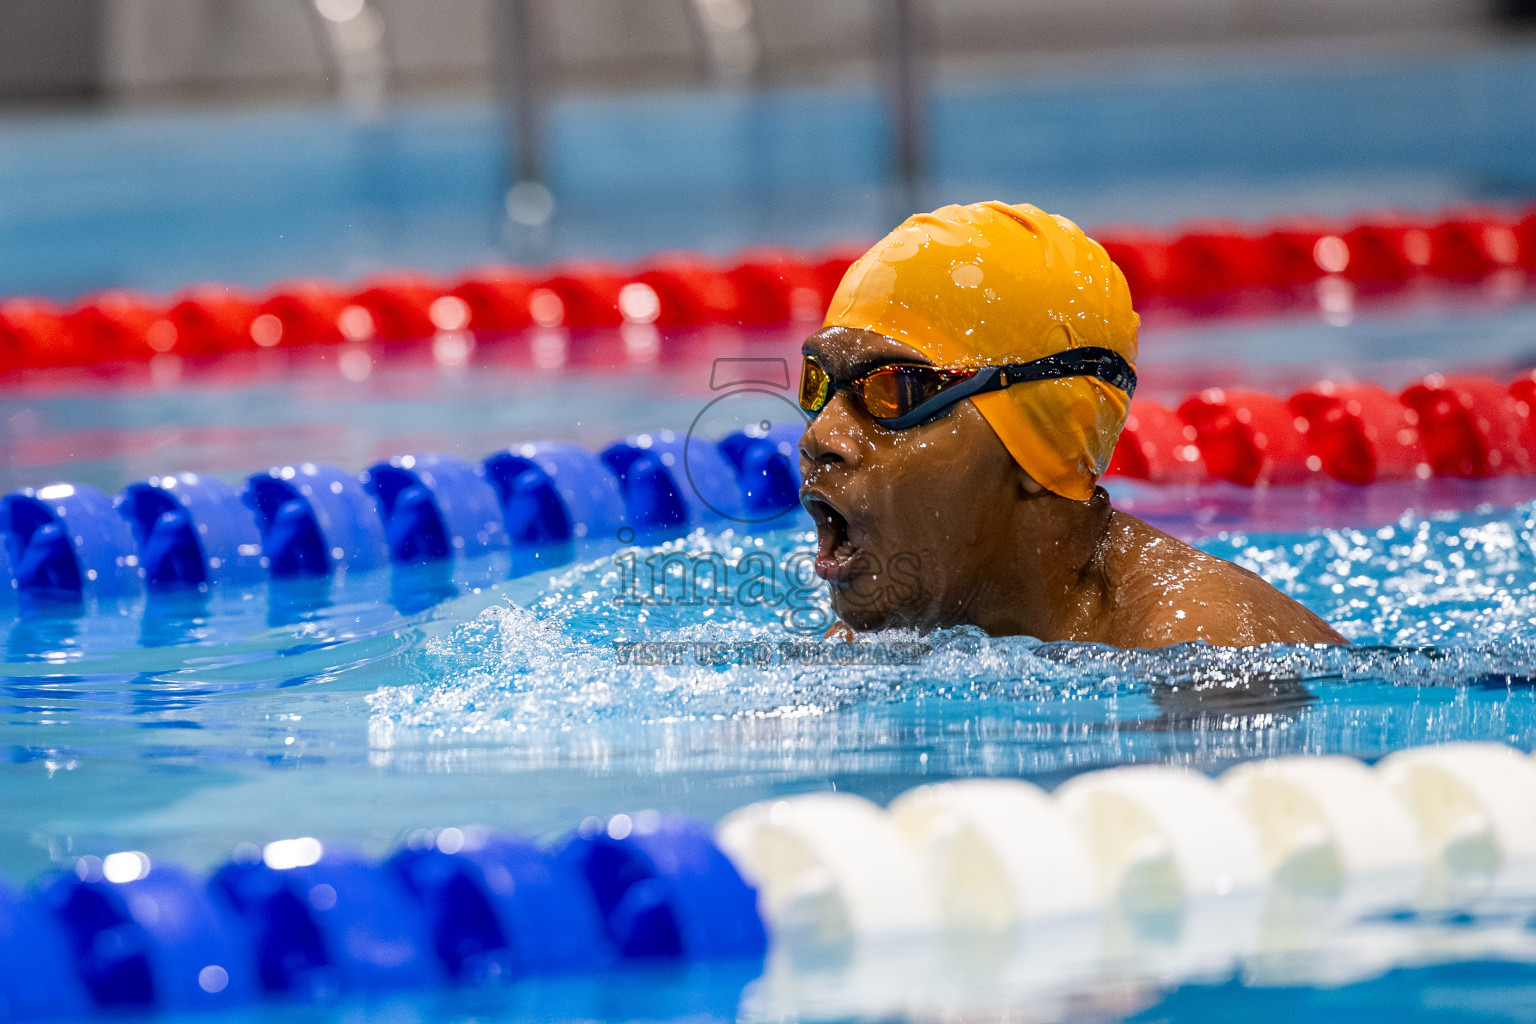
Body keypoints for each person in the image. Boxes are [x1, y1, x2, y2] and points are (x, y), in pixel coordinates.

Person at [797, 201, 1345, 648]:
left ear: (1044, 439)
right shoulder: (890, 630)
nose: (821, 435)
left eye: (896, 391)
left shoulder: (1200, 649)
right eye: (819, 383)